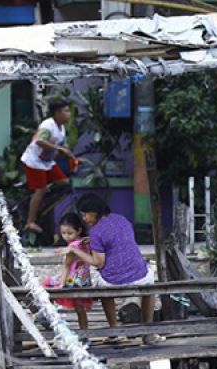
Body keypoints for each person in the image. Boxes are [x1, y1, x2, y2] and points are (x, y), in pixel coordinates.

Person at [63, 193, 155, 331]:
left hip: (114, 281)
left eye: (85, 215)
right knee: (149, 280)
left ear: (95, 212)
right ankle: (148, 331)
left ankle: (114, 329)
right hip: (139, 276)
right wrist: (94, 241)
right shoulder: (122, 219)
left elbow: (98, 262)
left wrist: (75, 251)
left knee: (101, 281)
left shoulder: (96, 231)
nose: (84, 219)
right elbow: (118, 242)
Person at [20, 98, 77, 234]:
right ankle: (30, 221)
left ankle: (40, 199)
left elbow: (61, 145)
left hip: (47, 163)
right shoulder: (48, 125)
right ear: (57, 113)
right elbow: (40, 140)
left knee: (63, 182)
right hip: (35, 162)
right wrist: (59, 148)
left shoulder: (61, 128)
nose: (69, 114)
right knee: (41, 189)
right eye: (66, 111)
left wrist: (69, 154)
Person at [43, 213, 93, 329]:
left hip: (72, 280)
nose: (66, 236)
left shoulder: (72, 247)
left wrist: (62, 283)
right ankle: (84, 333)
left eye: (70, 233)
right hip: (84, 281)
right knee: (80, 309)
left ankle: (48, 316)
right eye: (63, 233)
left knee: (45, 284)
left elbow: (66, 266)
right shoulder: (84, 242)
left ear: (79, 230)